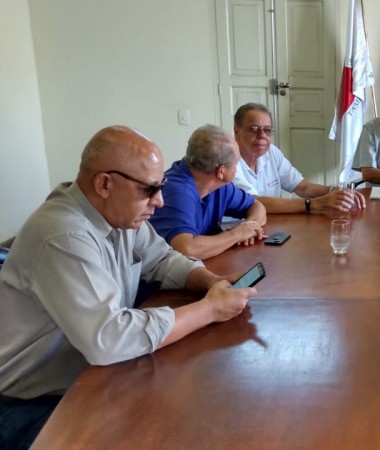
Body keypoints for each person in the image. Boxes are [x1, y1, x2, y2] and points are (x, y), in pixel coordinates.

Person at [0, 126, 256, 449]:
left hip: (89, 378)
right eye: (150, 189)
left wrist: (212, 282)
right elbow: (109, 338)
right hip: (28, 403)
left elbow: (163, 259)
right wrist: (209, 309)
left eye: (160, 186)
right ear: (104, 183)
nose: (160, 201)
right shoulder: (64, 235)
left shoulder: (117, 214)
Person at [149, 124, 267, 260]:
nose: (237, 167)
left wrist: (249, 227)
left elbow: (257, 206)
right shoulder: (177, 191)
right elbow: (186, 250)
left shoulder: (220, 186)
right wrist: (236, 235)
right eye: (236, 163)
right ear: (221, 171)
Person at [232, 103, 365, 214]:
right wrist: (314, 204)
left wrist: (334, 191)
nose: (262, 135)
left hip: (269, 226)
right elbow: (254, 203)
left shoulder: (272, 152)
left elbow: (302, 186)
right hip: (237, 228)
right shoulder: (228, 160)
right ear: (237, 132)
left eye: (267, 130)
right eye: (254, 129)